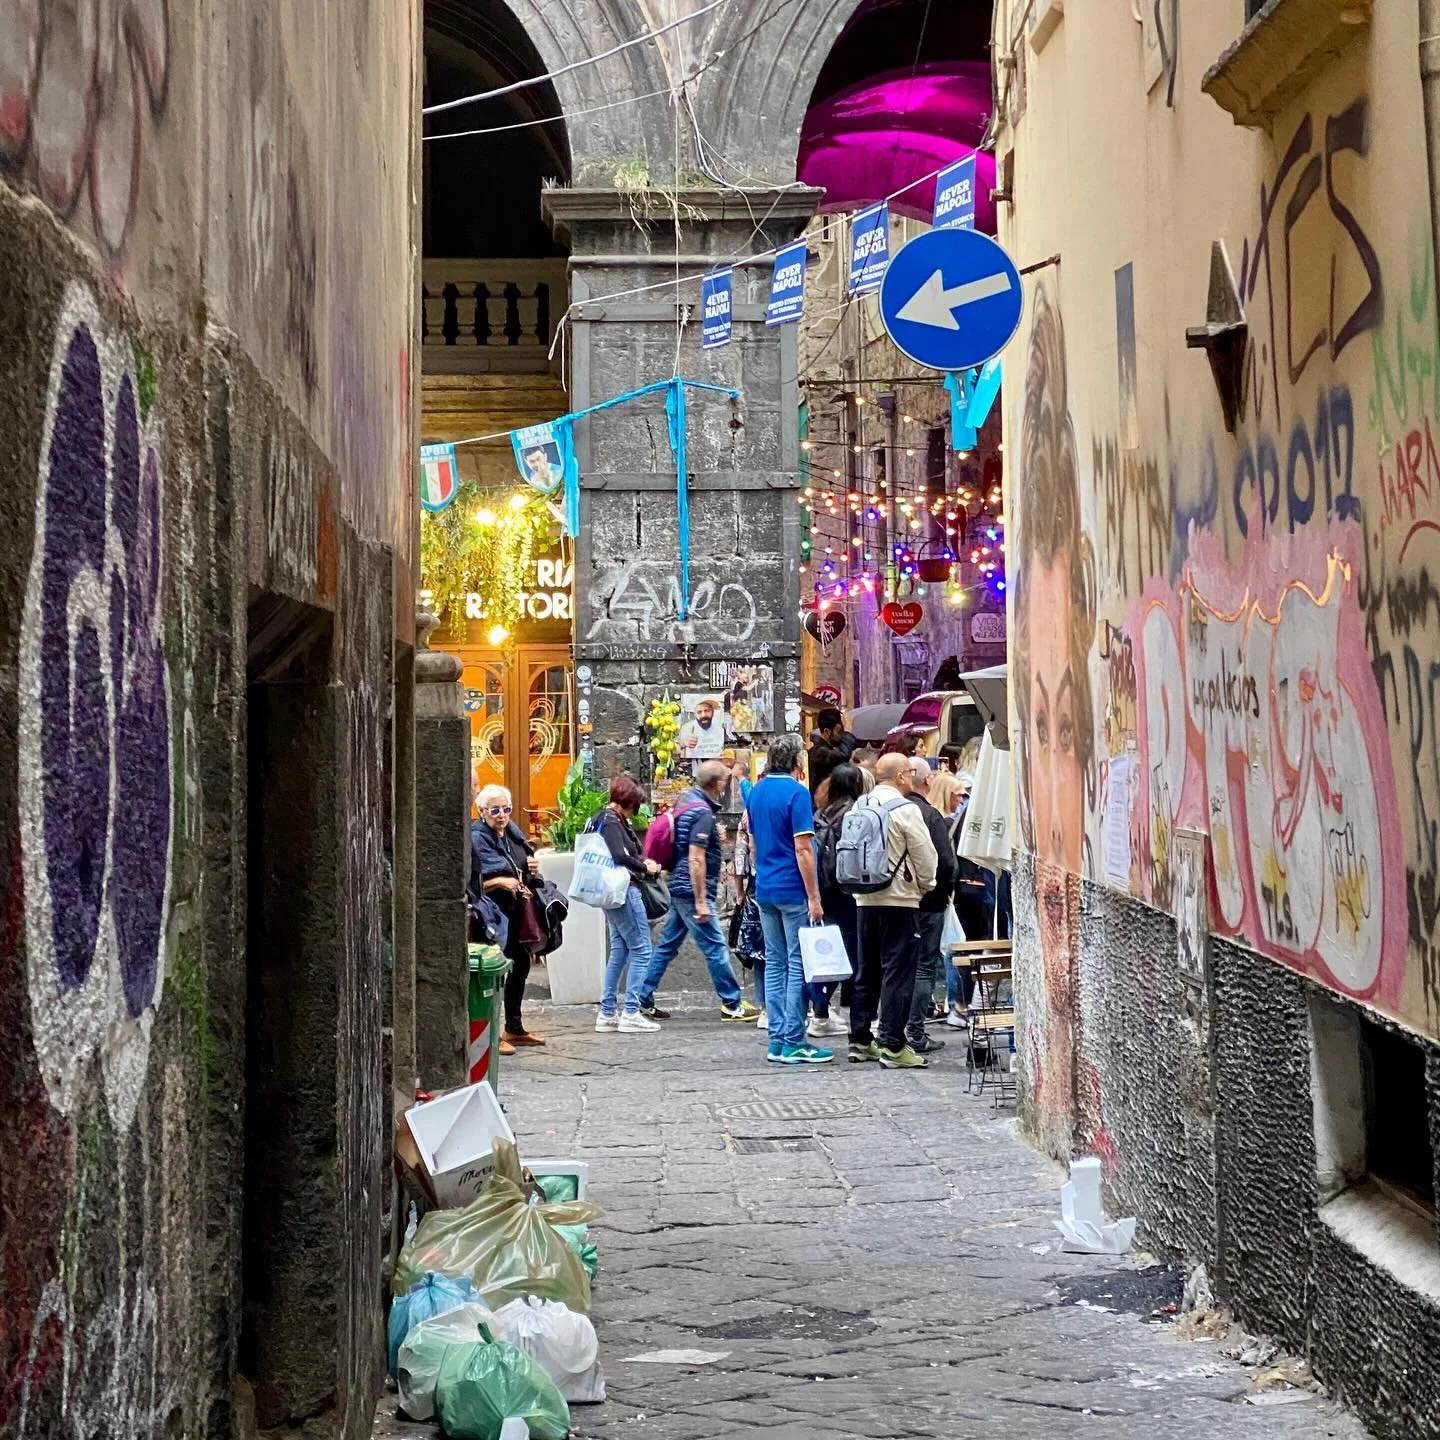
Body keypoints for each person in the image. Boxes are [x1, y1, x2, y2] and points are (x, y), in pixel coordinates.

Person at [639, 760, 763, 1022]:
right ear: (716, 784)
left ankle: (642, 996)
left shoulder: (688, 803)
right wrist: (701, 901)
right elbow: (695, 858)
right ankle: (731, 1002)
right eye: (727, 779)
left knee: (667, 946)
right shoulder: (703, 813)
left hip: (679, 885)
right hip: (692, 890)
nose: (728, 784)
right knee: (716, 947)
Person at [745, 733, 833, 1065]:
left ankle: (778, 1038)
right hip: (792, 887)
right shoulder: (797, 794)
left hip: (765, 886)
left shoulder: (756, 792)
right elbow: (803, 849)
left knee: (775, 962)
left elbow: (753, 843)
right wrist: (814, 895)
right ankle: (795, 1038)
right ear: (797, 760)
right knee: (797, 962)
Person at [849, 753, 939, 1069]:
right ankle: (892, 1044)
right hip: (899, 899)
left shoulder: (859, 806)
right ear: (901, 776)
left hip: (864, 898)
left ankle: (860, 1039)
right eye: (910, 773)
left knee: (867, 969)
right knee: (898, 972)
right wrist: (926, 884)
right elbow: (925, 854)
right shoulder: (905, 809)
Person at [471, 784, 547, 1054]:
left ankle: (514, 1028)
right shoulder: (477, 838)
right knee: (495, 974)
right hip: (492, 915)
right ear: (482, 811)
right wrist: (500, 881)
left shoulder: (512, 833)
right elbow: (474, 880)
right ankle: (491, 1032)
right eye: (495, 810)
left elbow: (521, 861)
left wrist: (531, 866)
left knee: (520, 967)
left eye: (506, 809)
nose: (502, 815)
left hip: (517, 913)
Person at [594, 775, 665, 1033]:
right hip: (624, 890)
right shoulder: (612, 821)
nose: (636, 812)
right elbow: (619, 856)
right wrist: (645, 867)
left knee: (620, 949)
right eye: (636, 805)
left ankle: (608, 1011)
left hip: (611, 891)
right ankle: (631, 1012)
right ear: (629, 802)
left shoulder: (600, 818)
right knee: (642, 948)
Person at [904, 757, 959, 1055]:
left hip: (895, 901)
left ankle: (892, 1029)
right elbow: (946, 862)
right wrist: (943, 893)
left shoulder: (892, 811)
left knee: (898, 966)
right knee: (924, 966)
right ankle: (915, 1029)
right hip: (929, 901)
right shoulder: (930, 815)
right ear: (926, 781)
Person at [810, 762, 865, 1039]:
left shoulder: (821, 813)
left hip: (824, 890)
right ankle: (852, 1013)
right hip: (849, 891)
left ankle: (820, 1012)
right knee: (854, 954)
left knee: (828, 954)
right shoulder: (854, 814)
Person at [807, 707, 859, 797]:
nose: (842, 735)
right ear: (827, 732)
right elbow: (842, 756)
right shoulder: (818, 752)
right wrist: (848, 731)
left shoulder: (829, 749)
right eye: (839, 731)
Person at [678, 697, 727, 762]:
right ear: (695, 714)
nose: (703, 715)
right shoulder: (687, 728)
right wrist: (684, 743)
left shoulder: (720, 731)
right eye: (699, 712)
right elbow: (675, 748)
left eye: (707, 711)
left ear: (713, 712)